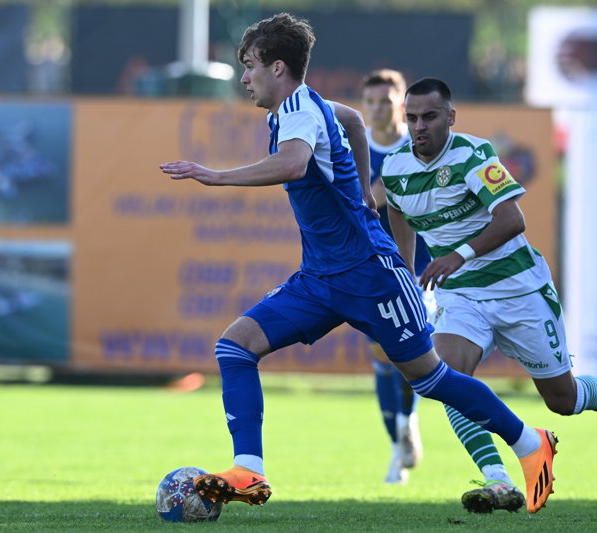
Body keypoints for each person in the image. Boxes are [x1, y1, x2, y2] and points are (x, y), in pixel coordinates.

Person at [160, 13, 558, 516]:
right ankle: (249, 469)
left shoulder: (298, 111)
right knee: (235, 347)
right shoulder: (302, 107)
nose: (244, 78)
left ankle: (530, 443)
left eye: (250, 66)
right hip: (320, 277)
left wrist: (215, 176)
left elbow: (293, 164)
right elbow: (350, 120)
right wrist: (369, 193)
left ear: (278, 67)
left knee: (430, 379)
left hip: (371, 275)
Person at [381, 77, 597, 514]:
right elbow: (397, 210)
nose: (419, 126)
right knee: (447, 379)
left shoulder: (473, 154)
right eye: (411, 118)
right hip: (461, 294)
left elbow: (512, 219)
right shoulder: (395, 167)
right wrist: (408, 272)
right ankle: (498, 480)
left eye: (429, 116)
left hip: (519, 288)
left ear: (451, 116)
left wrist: (457, 256)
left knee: (562, 401)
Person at [360, 69, 430, 484]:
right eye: (370, 102)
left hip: (422, 266)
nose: (377, 110)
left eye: (385, 102)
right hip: (372, 268)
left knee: (414, 354)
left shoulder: (418, 145)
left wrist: (381, 190)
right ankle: (397, 444)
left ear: (401, 104)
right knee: (382, 357)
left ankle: (408, 421)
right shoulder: (356, 146)